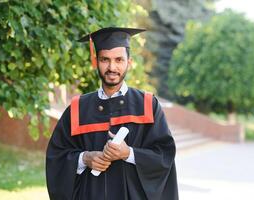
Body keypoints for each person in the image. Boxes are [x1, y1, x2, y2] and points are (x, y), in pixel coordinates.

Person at [46, 27, 178, 200]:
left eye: (119, 60)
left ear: (129, 62)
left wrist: (128, 153)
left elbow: (164, 155)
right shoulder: (78, 108)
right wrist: (85, 158)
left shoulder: (147, 104)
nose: (112, 67)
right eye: (105, 60)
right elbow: (57, 157)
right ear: (96, 62)